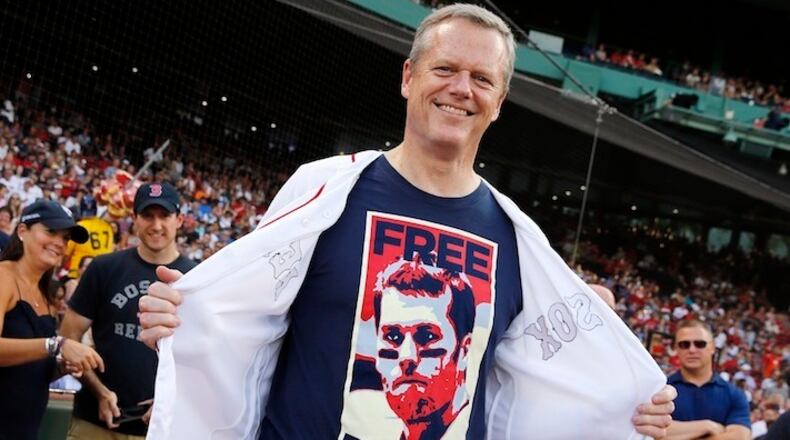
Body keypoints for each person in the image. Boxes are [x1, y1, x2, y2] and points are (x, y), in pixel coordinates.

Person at [139, 5, 676, 439]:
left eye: (481, 78)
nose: (461, 88)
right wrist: (183, 319)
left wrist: (628, 406)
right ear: (408, 76)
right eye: (445, 69)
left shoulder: (518, 241)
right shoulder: (323, 190)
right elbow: (244, 323)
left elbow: (543, 390)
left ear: (499, 102)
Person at [60, 182, 196, 439]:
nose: (156, 225)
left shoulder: (196, 278)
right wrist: (99, 390)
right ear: (134, 219)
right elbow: (68, 337)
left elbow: (206, 359)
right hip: (93, 422)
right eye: (147, 215)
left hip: (159, 430)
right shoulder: (104, 268)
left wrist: (172, 403)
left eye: (164, 216)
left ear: (179, 220)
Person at [0, 200, 104, 440]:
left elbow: (26, 368)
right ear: (22, 231)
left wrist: (60, 367)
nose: (59, 243)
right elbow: (46, 346)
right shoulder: (4, 276)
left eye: (65, 238)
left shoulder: (45, 294)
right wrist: (56, 345)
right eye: (51, 231)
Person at [665, 319, 751, 439]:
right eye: (684, 344)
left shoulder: (734, 394)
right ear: (676, 349)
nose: (692, 350)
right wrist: (708, 426)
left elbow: (740, 436)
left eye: (700, 344)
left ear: (713, 348)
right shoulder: (662, 390)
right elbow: (653, 432)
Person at [63, 199, 114, 279]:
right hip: (100, 275)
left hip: (77, 274)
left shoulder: (79, 226)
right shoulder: (108, 228)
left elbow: (65, 254)